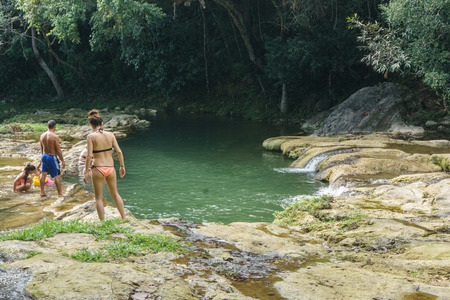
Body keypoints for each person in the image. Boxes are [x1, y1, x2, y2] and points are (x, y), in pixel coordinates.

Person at [84, 109, 126, 220]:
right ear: (102, 123)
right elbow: (119, 152)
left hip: (97, 168)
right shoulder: (111, 135)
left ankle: (103, 222)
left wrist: (85, 171)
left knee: (98, 198)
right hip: (110, 168)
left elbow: (89, 156)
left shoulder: (91, 137)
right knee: (115, 194)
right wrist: (122, 166)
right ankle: (124, 218)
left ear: (91, 124)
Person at [38, 120, 65, 197]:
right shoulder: (55, 136)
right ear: (54, 127)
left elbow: (41, 148)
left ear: (47, 126)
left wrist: (41, 160)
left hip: (44, 156)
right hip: (52, 157)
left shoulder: (42, 135)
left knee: (43, 174)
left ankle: (42, 192)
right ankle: (60, 194)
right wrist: (62, 160)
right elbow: (58, 150)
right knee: (57, 175)